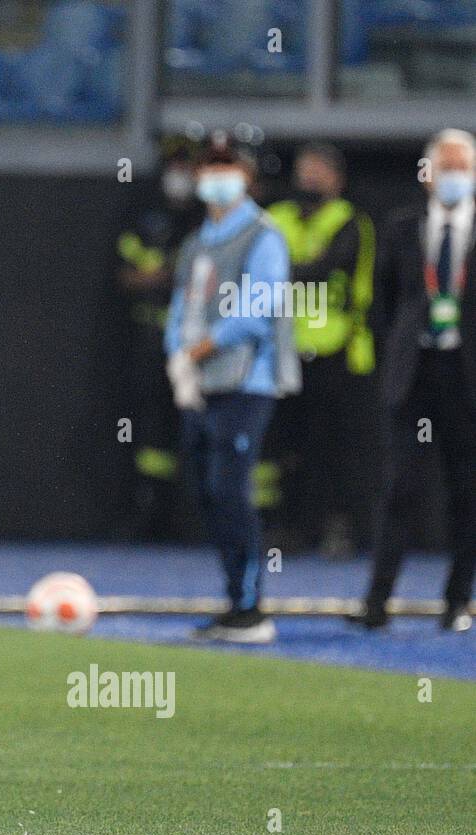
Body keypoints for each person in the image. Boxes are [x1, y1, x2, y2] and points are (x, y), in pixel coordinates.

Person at [164, 133, 301, 644]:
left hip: (247, 381)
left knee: (230, 488)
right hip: (202, 384)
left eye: (228, 168)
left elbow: (257, 311)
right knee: (206, 489)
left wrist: (196, 350)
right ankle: (234, 599)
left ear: (247, 176)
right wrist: (176, 355)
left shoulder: (264, 235)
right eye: (210, 168)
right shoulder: (197, 242)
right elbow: (180, 306)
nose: (216, 179)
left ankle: (251, 608)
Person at [347, 129, 476, 633]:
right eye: (445, 168)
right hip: (416, 374)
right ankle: (377, 602)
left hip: (466, 379)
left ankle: (457, 602)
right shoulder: (401, 228)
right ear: (427, 175)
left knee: (467, 494)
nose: (453, 177)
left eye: (462, 168)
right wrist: (395, 361)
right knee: (401, 488)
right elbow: (382, 306)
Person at [266, 143, 377, 556]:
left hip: (338, 350)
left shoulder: (350, 221)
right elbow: (258, 267)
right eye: (304, 170)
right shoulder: (276, 218)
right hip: (284, 349)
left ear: (337, 179)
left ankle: (340, 528)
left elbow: (326, 268)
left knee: (336, 445)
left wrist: (286, 272)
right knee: (286, 445)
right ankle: (289, 529)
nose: (310, 179)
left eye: (319, 171)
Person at [115, 137, 200, 539]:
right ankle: (153, 513)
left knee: (202, 425)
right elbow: (128, 276)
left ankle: (198, 517)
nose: (180, 174)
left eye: (188, 165)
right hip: (152, 337)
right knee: (151, 429)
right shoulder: (147, 218)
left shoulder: (207, 219)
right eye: (175, 165)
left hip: (201, 345)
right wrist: (168, 275)